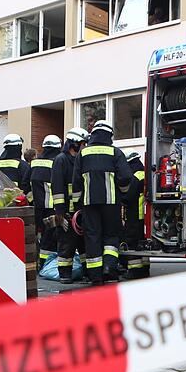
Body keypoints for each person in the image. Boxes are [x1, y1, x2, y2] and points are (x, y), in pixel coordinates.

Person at [71, 120, 132, 285]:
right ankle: (109, 268)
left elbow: (76, 182)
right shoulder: (115, 152)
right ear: (109, 135)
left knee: (92, 237)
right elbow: (126, 177)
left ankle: (95, 276)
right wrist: (123, 193)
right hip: (111, 203)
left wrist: (77, 204)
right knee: (111, 236)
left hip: (89, 204)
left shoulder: (83, 154)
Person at [52, 127, 88, 284]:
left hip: (81, 210)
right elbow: (57, 187)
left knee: (84, 244)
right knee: (67, 244)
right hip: (66, 212)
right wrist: (60, 212)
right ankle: (65, 274)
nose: (84, 146)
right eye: (82, 143)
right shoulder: (61, 159)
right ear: (74, 144)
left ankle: (88, 273)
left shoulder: (80, 159)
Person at [30, 135, 61, 270]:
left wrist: (33, 200)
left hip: (37, 208)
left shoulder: (34, 162)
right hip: (52, 208)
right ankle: (45, 265)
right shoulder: (57, 162)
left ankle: (36, 263)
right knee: (50, 237)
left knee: (37, 235)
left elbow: (26, 185)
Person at [119, 150, 150, 279]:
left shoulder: (134, 176)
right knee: (141, 242)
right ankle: (144, 268)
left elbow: (129, 196)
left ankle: (134, 270)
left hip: (134, 213)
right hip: (143, 214)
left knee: (131, 242)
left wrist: (120, 199)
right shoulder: (144, 173)